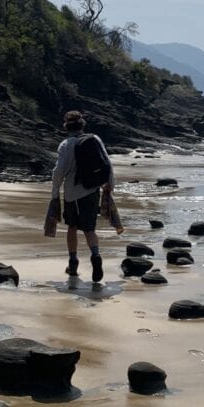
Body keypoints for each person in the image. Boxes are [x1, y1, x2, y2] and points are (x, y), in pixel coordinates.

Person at [50, 110, 115, 283]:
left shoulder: (65, 145)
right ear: (82, 125)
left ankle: (73, 263)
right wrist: (109, 186)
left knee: (72, 226)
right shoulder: (95, 139)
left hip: (72, 194)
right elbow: (107, 163)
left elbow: (59, 172)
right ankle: (95, 256)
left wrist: (55, 191)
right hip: (92, 190)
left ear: (66, 127)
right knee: (89, 228)